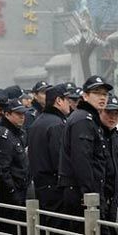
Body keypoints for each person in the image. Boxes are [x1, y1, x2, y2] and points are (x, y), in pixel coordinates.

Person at [59, 75, 112, 232]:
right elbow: (82, 160)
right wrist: (89, 195)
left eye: (105, 94)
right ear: (85, 95)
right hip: (82, 195)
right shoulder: (84, 120)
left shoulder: (90, 119)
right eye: (97, 93)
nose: (102, 97)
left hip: (85, 192)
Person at [28, 84, 70, 229]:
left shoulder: (38, 121)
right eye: (67, 99)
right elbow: (60, 160)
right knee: (58, 227)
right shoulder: (56, 124)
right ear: (59, 100)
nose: (70, 103)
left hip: (41, 184)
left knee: (45, 226)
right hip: (55, 186)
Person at [0, 98, 30, 233]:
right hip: (12, 193)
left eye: (23, 114)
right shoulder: (5, 135)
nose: (22, 117)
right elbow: (3, 168)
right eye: (18, 114)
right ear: (7, 114)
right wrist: (12, 191)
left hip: (22, 188)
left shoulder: (19, 133)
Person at [99, 95, 118, 234]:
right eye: (109, 112)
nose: (112, 117)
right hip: (99, 198)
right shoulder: (96, 135)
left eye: (116, 114)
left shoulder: (115, 136)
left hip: (114, 198)